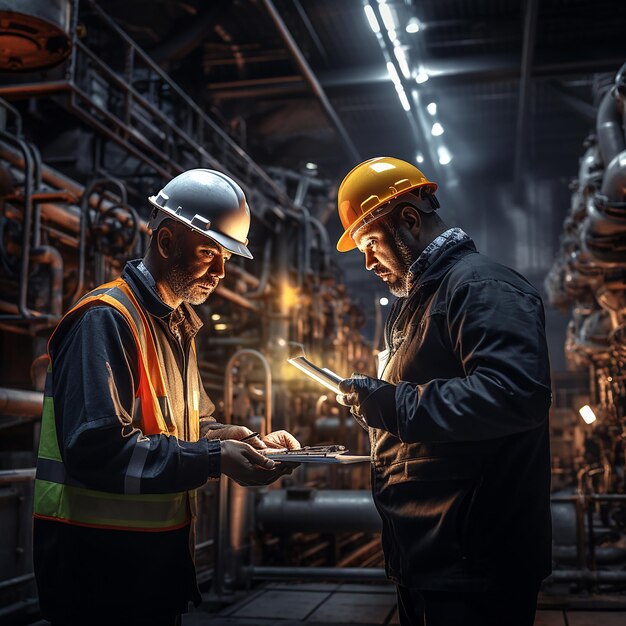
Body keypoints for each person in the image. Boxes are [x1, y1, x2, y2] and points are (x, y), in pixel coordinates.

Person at [33, 169, 299, 626]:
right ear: (165, 242)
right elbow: (95, 449)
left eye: (226, 258)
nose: (219, 273)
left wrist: (238, 439)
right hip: (98, 574)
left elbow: (185, 428)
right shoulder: (107, 320)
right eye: (207, 253)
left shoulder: (176, 325)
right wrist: (215, 458)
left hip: (148, 568)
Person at [335, 157, 552, 626]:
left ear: (409, 220)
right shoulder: (426, 300)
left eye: (371, 243)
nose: (368, 262)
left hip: (475, 562)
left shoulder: (482, 286)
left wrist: (393, 404)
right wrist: (380, 405)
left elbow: (515, 394)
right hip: (433, 556)